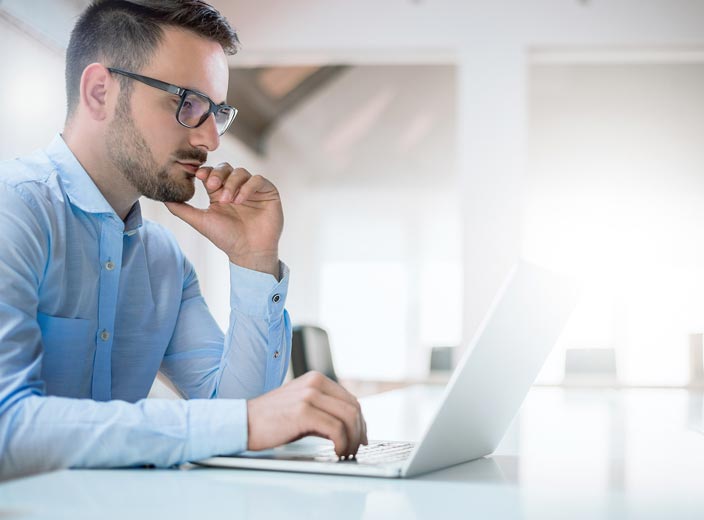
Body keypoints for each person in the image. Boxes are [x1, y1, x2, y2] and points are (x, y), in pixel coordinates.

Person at [0, 0, 366, 479]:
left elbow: (242, 415)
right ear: (98, 93)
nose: (211, 139)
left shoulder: (161, 259)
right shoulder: (15, 211)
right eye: (187, 103)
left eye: (217, 111)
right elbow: (8, 428)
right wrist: (246, 422)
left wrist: (254, 261)